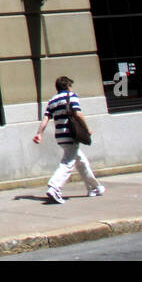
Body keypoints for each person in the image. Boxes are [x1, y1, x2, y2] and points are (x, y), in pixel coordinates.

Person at [32, 75, 104, 204]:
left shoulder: (52, 101)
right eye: (70, 86)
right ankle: (55, 187)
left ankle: (94, 187)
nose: (71, 88)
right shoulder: (71, 96)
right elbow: (77, 113)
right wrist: (87, 129)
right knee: (67, 163)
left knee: (81, 161)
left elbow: (46, 118)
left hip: (60, 136)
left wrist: (39, 133)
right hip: (71, 134)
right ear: (67, 86)